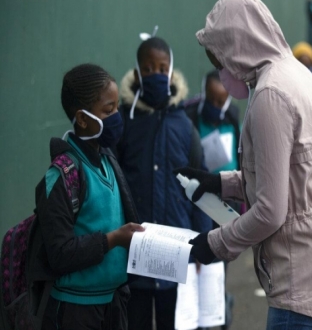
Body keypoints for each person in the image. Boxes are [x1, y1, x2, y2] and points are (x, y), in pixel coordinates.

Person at [177, 0, 312, 329]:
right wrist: (220, 183)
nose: (222, 71)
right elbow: (290, 172)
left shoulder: (271, 94)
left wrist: (214, 244)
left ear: (238, 46)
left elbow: (271, 211)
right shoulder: (295, 72)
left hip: (297, 264)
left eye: (221, 61)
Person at [37, 63, 145, 329]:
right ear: (82, 119)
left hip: (113, 305)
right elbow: (59, 253)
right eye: (108, 111)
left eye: (117, 108)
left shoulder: (108, 160)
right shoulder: (61, 177)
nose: (116, 116)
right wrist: (113, 239)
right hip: (76, 311)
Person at [116, 36, 213, 330]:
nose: (155, 74)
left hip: (177, 252)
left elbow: (202, 184)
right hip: (136, 253)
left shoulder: (184, 125)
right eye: (148, 68)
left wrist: (203, 240)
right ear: (137, 72)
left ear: (171, 72)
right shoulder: (124, 122)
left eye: (162, 67)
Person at [184, 70, 240, 330]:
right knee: (198, 256)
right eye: (212, 99)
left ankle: (218, 307)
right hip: (199, 200)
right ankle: (200, 315)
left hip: (227, 201)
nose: (217, 106)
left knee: (220, 259)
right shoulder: (191, 116)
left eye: (222, 100)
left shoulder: (234, 117)